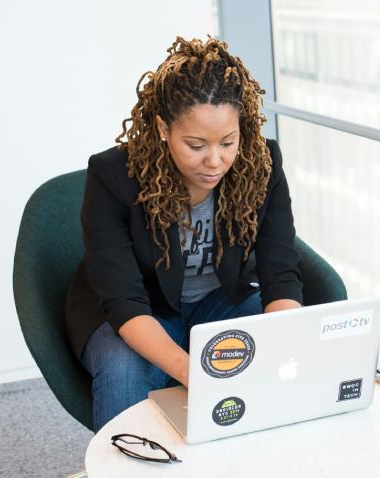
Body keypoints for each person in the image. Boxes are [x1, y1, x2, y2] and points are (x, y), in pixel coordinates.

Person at [65, 36, 302, 432]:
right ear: (163, 128)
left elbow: (280, 274)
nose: (215, 161)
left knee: (283, 350)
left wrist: (284, 345)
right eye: (196, 145)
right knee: (125, 369)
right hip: (141, 308)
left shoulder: (262, 163)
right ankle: (125, 459)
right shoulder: (113, 176)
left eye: (228, 142)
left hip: (220, 301)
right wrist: (195, 372)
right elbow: (124, 300)